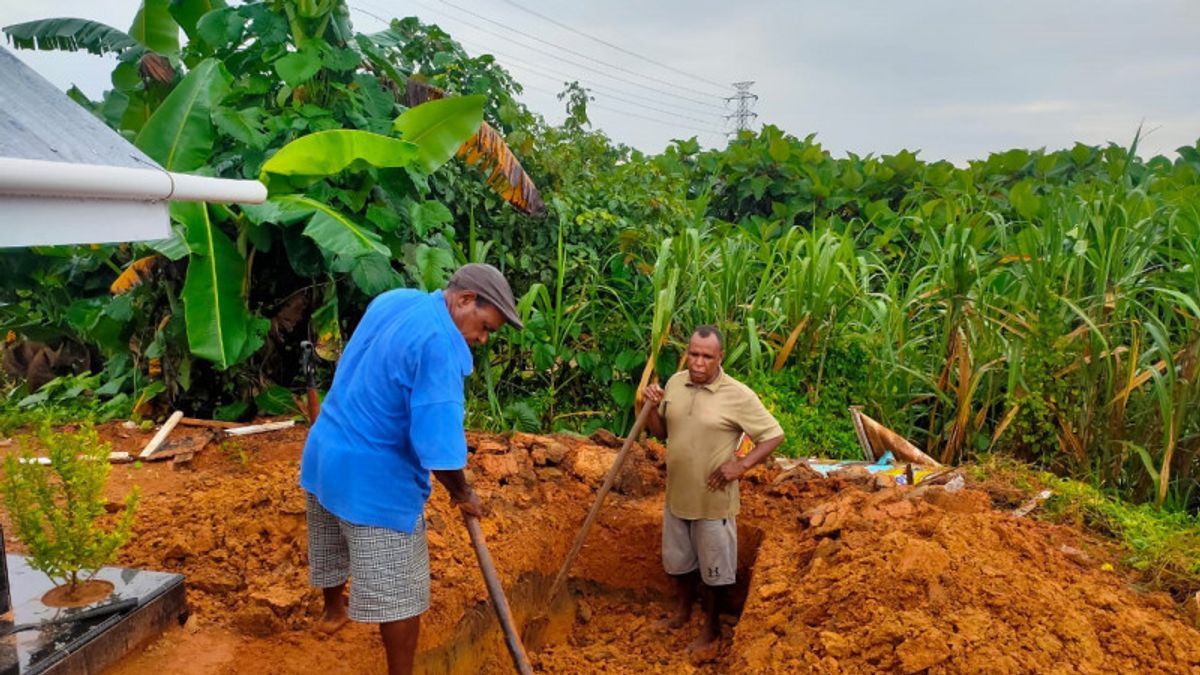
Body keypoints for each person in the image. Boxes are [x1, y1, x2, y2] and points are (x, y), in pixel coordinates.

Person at [299, 263, 523, 675]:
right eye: (485, 326)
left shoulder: (399, 300)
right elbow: (438, 446)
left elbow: (363, 365)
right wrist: (462, 493)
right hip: (373, 481)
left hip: (324, 451)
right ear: (465, 300)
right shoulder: (440, 345)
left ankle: (334, 611)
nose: (482, 339)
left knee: (330, 537)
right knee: (401, 593)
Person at [642, 325, 785, 651]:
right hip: (677, 495)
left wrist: (742, 464)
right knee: (679, 563)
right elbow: (661, 432)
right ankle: (681, 612)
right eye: (693, 354)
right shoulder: (676, 384)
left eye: (707, 356)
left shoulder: (738, 395)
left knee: (715, 571)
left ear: (720, 358)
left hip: (713, 501)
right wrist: (650, 407)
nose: (698, 362)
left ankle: (711, 629)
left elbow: (774, 435)